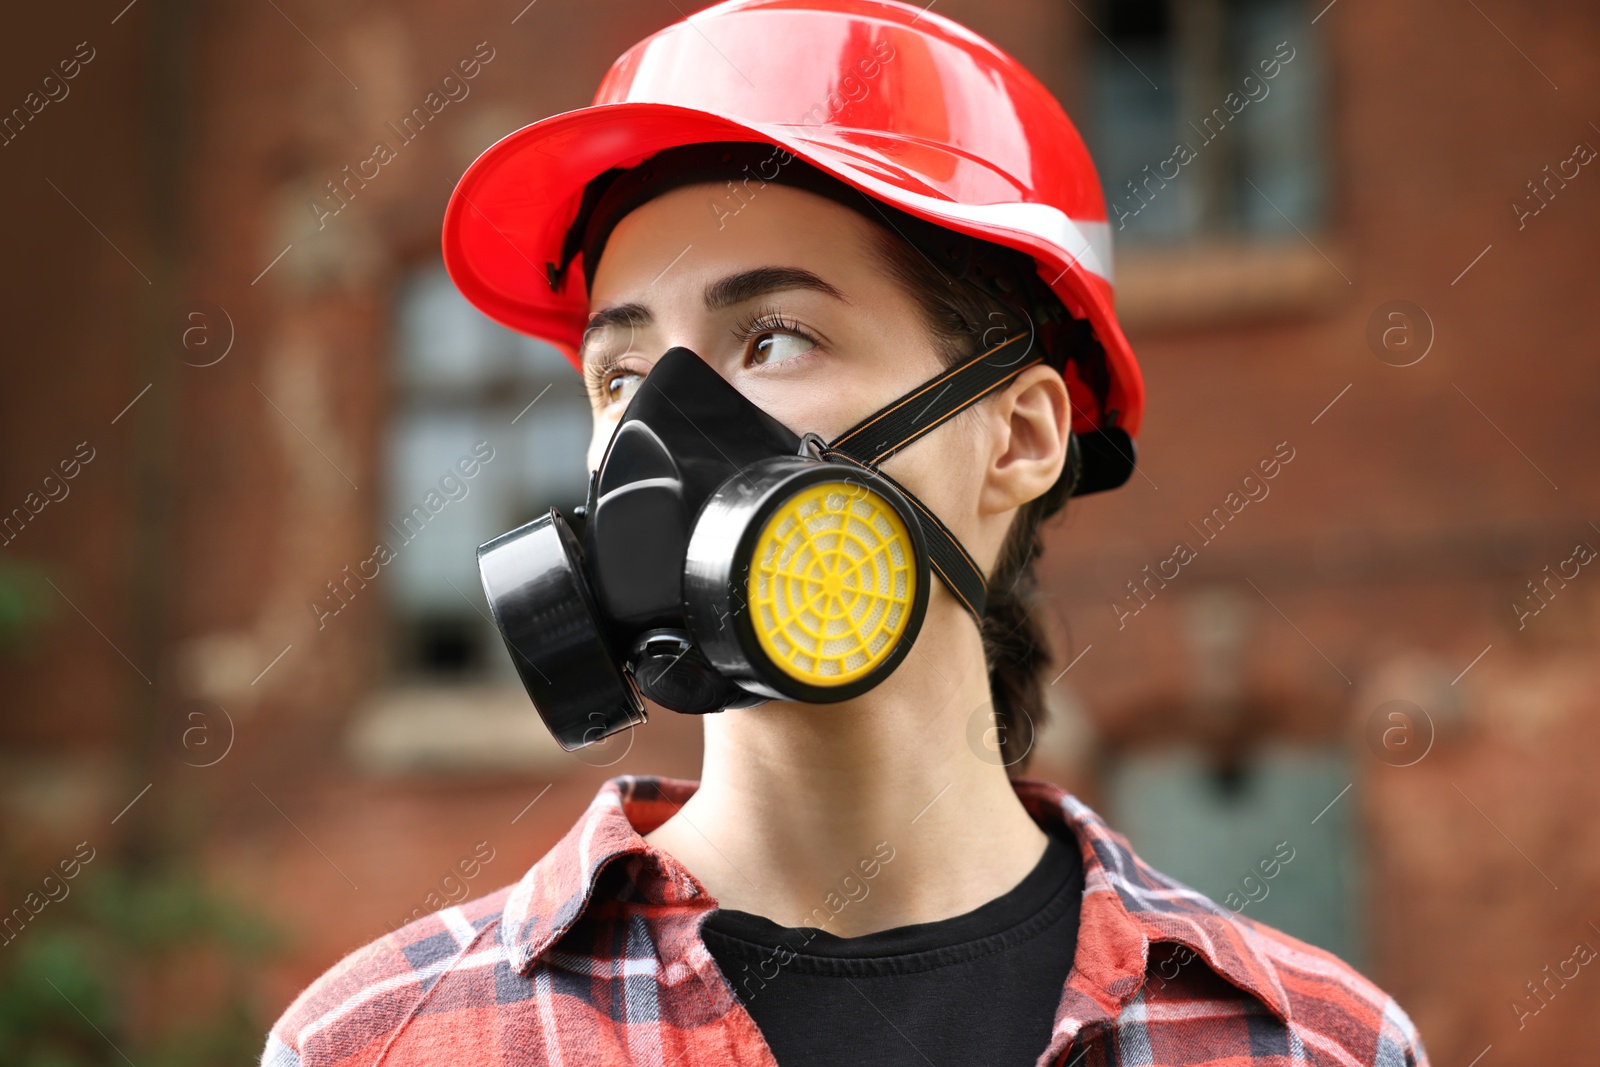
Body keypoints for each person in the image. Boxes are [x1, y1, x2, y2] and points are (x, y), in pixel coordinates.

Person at [262, 1, 1431, 1064]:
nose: (654, 434)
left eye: (773, 339)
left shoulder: (1308, 1042)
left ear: (1019, 436)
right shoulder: (385, 1041)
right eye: (618, 371)